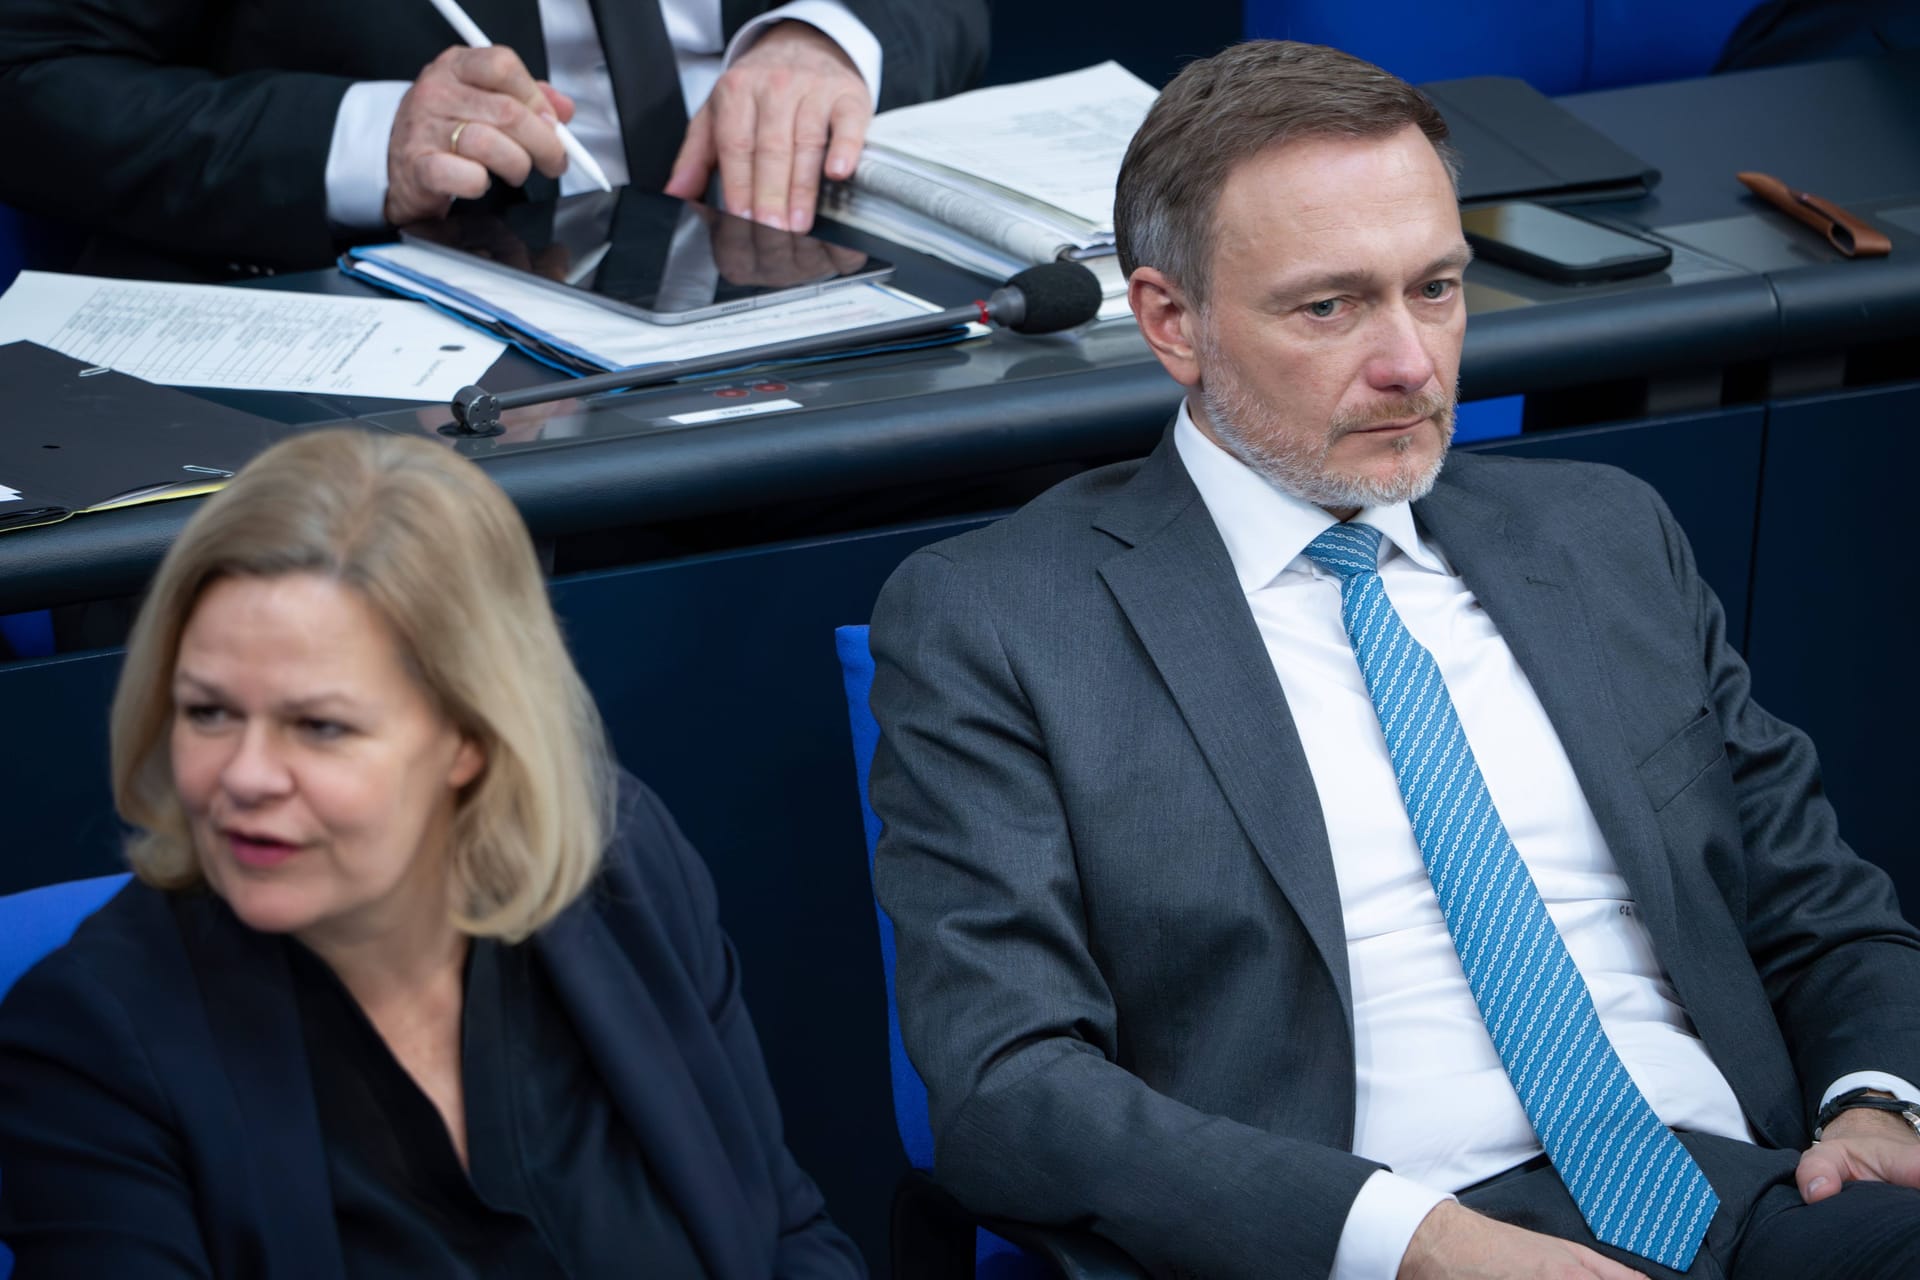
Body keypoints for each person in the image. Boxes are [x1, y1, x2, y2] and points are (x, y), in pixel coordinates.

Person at [866, 39, 1920, 1280]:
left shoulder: (1603, 535)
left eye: (1436, 288)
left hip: (1762, 1197)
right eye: (1331, 305)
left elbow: (1823, 910)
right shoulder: (1000, 621)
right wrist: (1409, 1243)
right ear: (1171, 321)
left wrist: (1881, 1104)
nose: (1412, 364)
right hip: (1365, 1236)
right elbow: (1009, 1088)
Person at [0, 428, 865, 1277]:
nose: (247, 776)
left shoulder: (617, 860)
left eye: (320, 726)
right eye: (209, 713)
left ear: (469, 739)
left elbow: (783, 1231)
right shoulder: (87, 1044)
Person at [0, 0, 987, 280]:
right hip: (382, 365)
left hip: (807, 311)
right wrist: (361, 142)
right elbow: (30, 71)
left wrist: (831, 37)